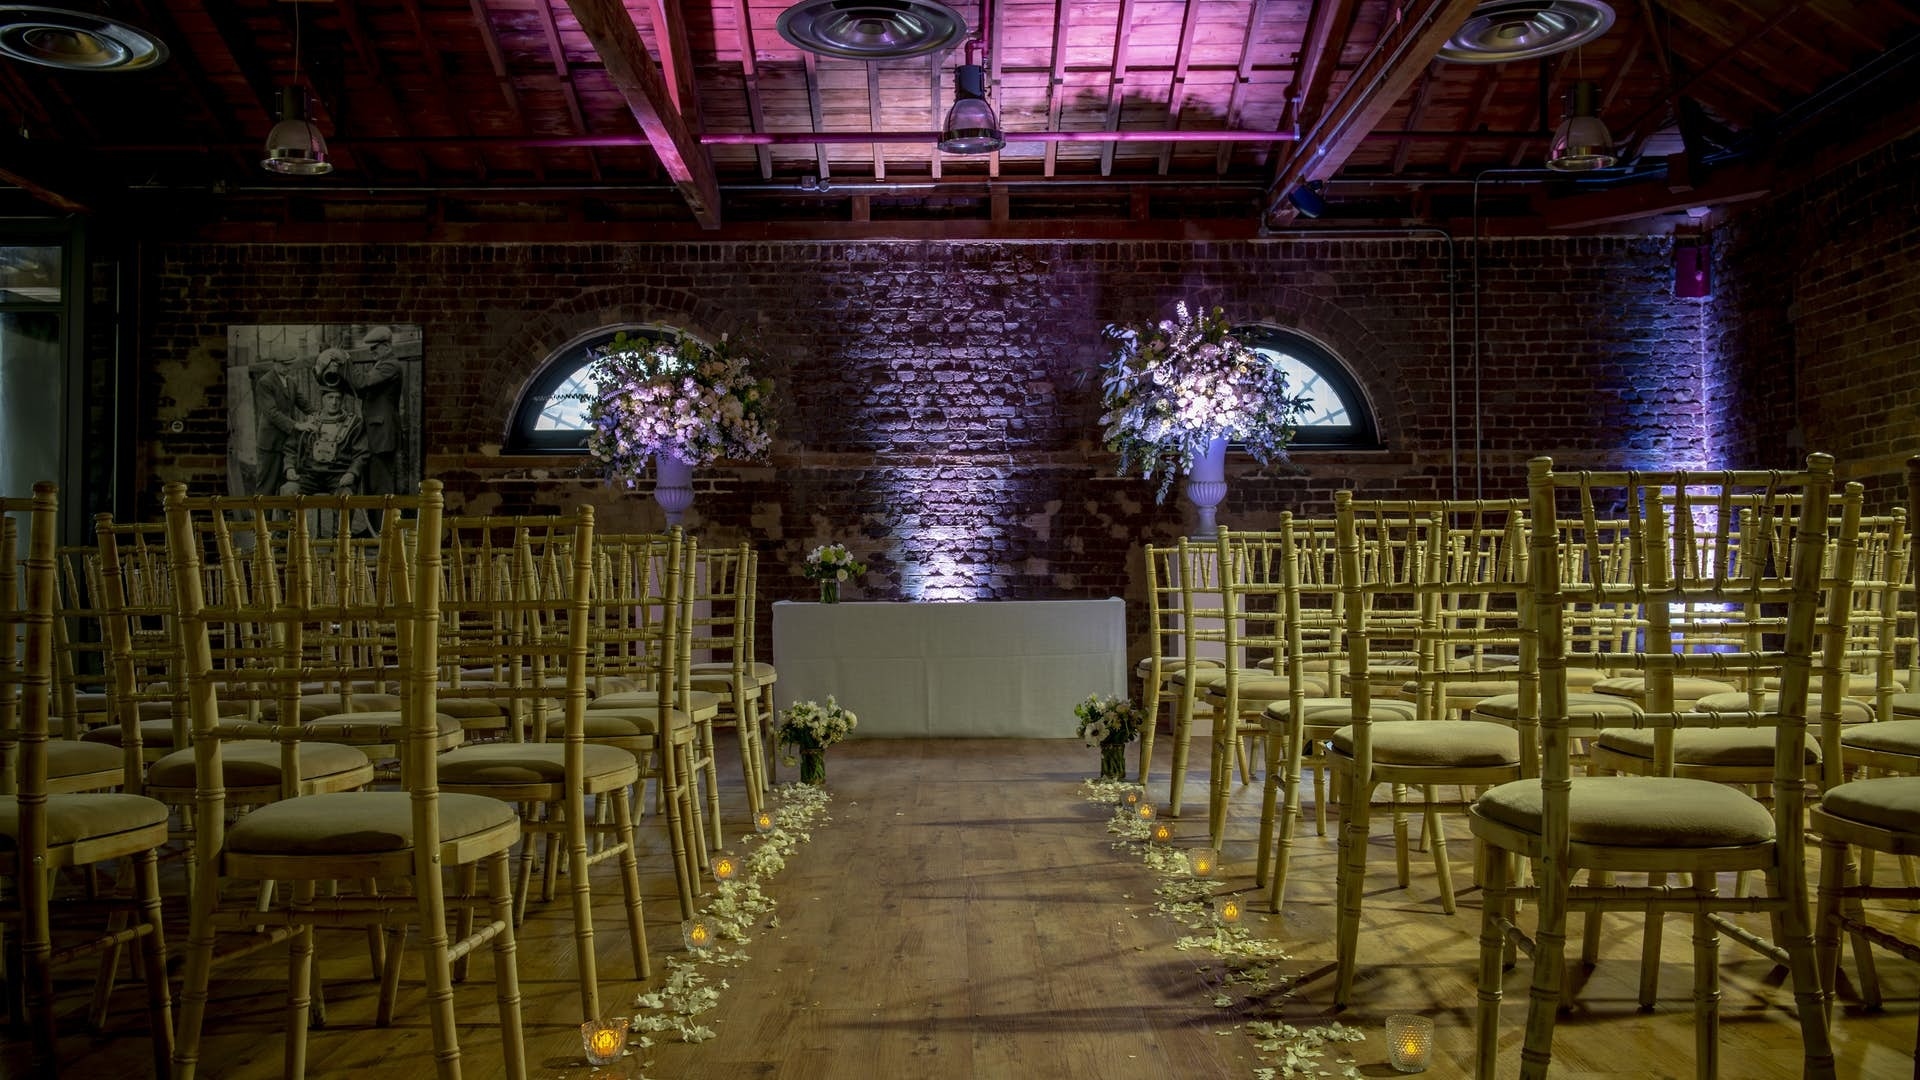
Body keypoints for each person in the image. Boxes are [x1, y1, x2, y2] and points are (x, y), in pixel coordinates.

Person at [350, 326, 404, 495]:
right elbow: (362, 390)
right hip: (376, 434)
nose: (371, 351)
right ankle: (378, 514)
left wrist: (346, 362)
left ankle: (385, 514)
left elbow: (363, 382)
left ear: (386, 347)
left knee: (382, 487)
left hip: (382, 435)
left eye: (374, 347)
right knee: (373, 486)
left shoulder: (390, 365)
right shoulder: (380, 365)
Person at [286, 386, 368, 497]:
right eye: (330, 397)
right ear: (323, 399)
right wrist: (289, 467)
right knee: (288, 491)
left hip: (339, 475)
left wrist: (352, 473)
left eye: (338, 398)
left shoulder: (354, 424)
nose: (334, 402)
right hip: (309, 475)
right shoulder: (309, 421)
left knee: (345, 496)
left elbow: (361, 454)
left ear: (342, 400)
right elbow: (291, 448)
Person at [252, 354, 302, 496]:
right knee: (266, 487)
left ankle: (281, 512)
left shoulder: (291, 381)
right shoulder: (265, 382)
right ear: (275, 363)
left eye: (290, 364)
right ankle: (260, 511)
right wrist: (296, 425)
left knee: (285, 485)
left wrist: (319, 415)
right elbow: (271, 413)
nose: (288, 368)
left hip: (287, 443)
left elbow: (303, 402)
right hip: (270, 443)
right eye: (284, 364)